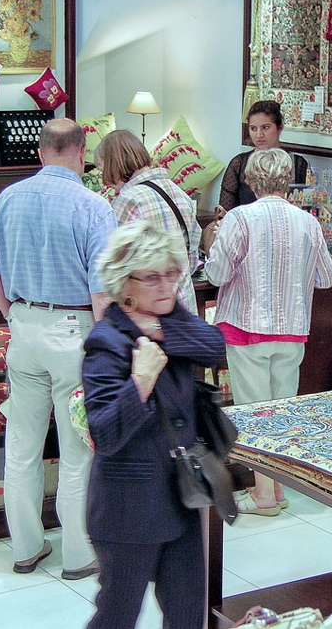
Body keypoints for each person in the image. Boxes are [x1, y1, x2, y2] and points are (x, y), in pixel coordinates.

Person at [0, 117, 116, 580]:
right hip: (74, 330)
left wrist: (11, 313)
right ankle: (78, 555)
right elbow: (102, 290)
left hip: (24, 327)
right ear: (81, 153)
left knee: (21, 446)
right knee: (77, 449)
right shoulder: (94, 206)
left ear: (40, 153)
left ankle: (26, 549)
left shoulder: (8, 198)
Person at [82, 221, 225, 629]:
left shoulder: (170, 316)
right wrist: (140, 381)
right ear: (125, 283)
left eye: (171, 273)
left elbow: (214, 345)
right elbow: (105, 433)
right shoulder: (106, 342)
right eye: (152, 277)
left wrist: (160, 332)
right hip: (128, 509)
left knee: (187, 611)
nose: (166, 286)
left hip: (181, 496)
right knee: (117, 615)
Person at [205, 148, 332, 516]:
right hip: (293, 328)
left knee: (254, 413)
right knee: (281, 414)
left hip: (246, 327)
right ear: (288, 180)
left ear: (250, 179)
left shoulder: (239, 218)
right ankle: (276, 488)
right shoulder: (308, 222)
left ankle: (264, 494)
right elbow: (327, 277)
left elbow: (216, 274)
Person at [94, 129, 201, 313]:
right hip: (184, 304)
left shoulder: (128, 201)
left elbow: (116, 266)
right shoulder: (178, 192)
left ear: (112, 164)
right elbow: (192, 257)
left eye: (102, 169)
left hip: (148, 309)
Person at [218, 100, 311, 211]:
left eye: (265, 127)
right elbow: (224, 212)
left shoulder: (298, 164)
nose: (259, 135)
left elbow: (307, 206)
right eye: (253, 128)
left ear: (280, 128)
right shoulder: (239, 164)